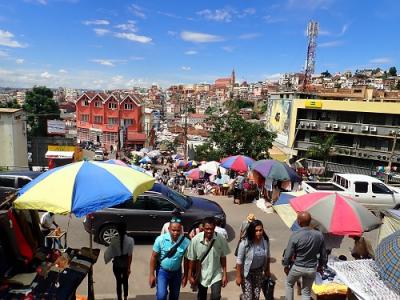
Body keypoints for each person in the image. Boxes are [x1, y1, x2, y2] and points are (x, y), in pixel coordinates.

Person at [283, 212, 327, 300]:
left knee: (289, 284)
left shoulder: (296, 235)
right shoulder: (319, 235)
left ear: (299, 222)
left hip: (298, 267)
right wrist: (321, 265)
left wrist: (286, 265)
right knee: (306, 292)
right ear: (310, 221)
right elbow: (323, 254)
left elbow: (288, 254)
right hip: (312, 268)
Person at [187, 217, 230, 300]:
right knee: (201, 297)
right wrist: (190, 275)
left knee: (216, 297)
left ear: (214, 228)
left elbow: (223, 257)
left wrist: (225, 274)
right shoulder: (195, 240)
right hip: (201, 274)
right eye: (207, 229)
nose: (209, 231)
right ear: (203, 228)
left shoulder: (221, 239)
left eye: (211, 229)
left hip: (216, 273)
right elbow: (192, 259)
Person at [149, 217, 190, 300]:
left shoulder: (186, 242)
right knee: (161, 295)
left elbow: (186, 260)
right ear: (169, 229)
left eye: (178, 230)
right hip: (162, 271)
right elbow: (153, 257)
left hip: (176, 273)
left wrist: (185, 276)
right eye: (173, 230)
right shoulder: (160, 240)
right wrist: (151, 275)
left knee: (174, 296)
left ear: (181, 230)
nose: (175, 233)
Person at [235, 220, 271, 300]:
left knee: (256, 296)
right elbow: (239, 260)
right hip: (246, 273)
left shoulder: (265, 241)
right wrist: (238, 276)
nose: (258, 233)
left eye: (260, 230)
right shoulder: (245, 243)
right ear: (252, 231)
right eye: (256, 231)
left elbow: (268, 256)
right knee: (249, 297)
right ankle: (243, 297)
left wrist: (267, 270)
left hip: (258, 272)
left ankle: (243, 297)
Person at [104, 223, 134, 300]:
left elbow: (109, 254)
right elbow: (130, 256)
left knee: (118, 282)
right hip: (125, 265)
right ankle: (125, 297)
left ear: (117, 230)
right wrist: (129, 268)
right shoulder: (131, 240)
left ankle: (119, 297)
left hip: (116, 265)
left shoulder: (114, 240)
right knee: (125, 281)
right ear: (125, 230)